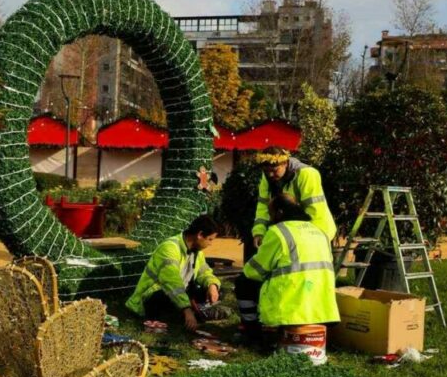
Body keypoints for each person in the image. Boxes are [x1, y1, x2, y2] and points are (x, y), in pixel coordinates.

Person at [236, 194, 339, 349]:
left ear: (279, 213)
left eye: (271, 213)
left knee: (243, 282)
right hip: (322, 309)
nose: (270, 218)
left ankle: (252, 334)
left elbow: (254, 271)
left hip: (292, 309)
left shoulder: (279, 232)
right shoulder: (319, 231)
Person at [126, 214, 226, 332]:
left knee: (219, 291)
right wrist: (187, 309)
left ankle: (195, 311)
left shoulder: (197, 251)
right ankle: (191, 313)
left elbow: (204, 272)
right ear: (200, 235)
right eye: (210, 239)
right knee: (164, 297)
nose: (210, 243)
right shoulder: (169, 248)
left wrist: (212, 286)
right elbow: (172, 284)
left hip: (180, 293)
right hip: (155, 295)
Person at [251, 146, 336, 246]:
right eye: (266, 171)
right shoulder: (267, 177)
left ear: (285, 163)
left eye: (274, 170)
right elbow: (263, 207)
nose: (270, 175)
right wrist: (259, 232)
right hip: (292, 233)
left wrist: (309, 238)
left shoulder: (307, 174)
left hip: (318, 233)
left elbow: (315, 212)